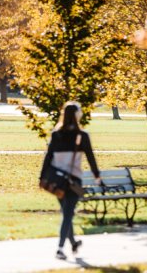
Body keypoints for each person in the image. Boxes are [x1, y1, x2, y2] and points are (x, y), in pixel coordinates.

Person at [40, 101, 101, 260]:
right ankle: (60, 248)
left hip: (57, 181)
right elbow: (91, 157)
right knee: (68, 214)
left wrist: (42, 177)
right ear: (78, 115)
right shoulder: (82, 136)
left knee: (66, 212)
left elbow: (48, 157)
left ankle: (73, 242)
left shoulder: (56, 134)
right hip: (74, 181)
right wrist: (97, 176)